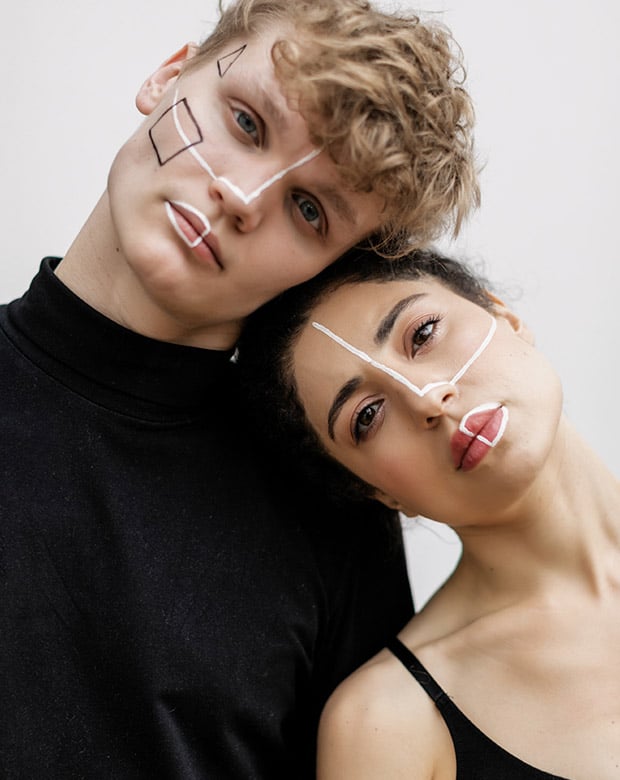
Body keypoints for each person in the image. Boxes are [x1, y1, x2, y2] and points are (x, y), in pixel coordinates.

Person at [0, 1, 480, 777]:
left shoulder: (330, 511)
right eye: (248, 123)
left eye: (309, 210)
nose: (244, 196)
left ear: (326, 272)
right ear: (167, 76)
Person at [237, 247, 620, 779]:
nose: (427, 399)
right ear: (376, 491)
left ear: (503, 315)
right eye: (367, 417)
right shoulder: (387, 726)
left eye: (422, 334)